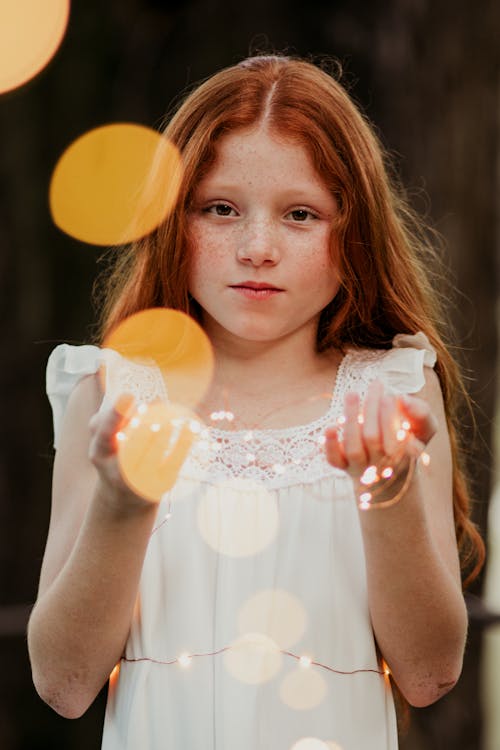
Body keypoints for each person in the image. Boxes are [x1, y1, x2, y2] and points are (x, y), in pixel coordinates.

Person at [28, 54, 484, 750]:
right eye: (220, 209)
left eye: (300, 214)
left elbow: (429, 672)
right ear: (171, 221)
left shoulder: (391, 393)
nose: (257, 247)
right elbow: (63, 683)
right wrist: (123, 505)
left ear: (352, 232)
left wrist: (386, 495)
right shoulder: (116, 394)